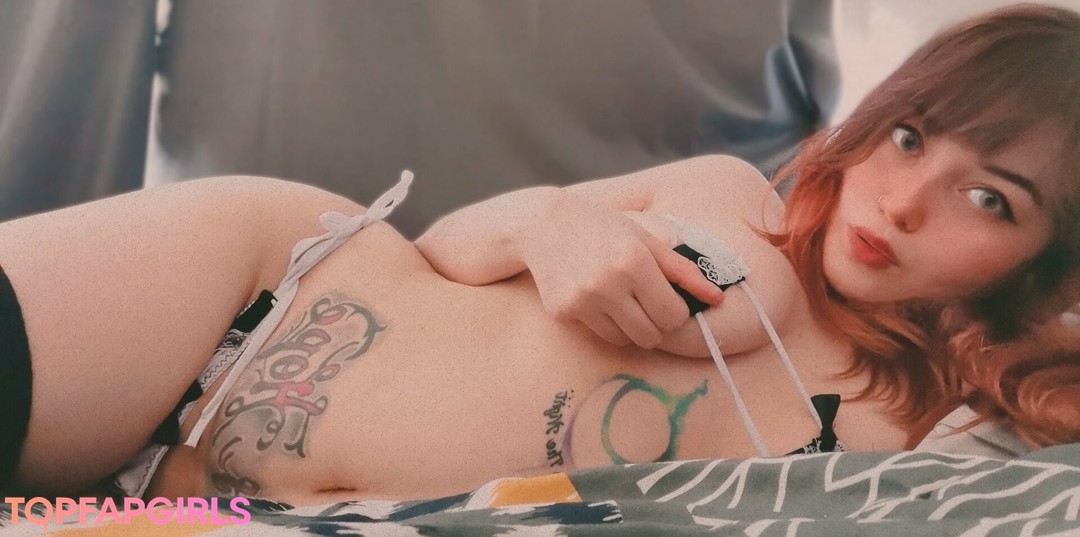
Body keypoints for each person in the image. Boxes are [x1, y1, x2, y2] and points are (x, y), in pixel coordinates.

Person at [1, 3, 1077, 505]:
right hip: (253, 293)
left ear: (1047, 261)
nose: (904, 202)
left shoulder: (969, 441)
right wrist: (549, 224)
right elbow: (440, 246)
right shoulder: (732, 197)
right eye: (908, 137)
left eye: (990, 196)